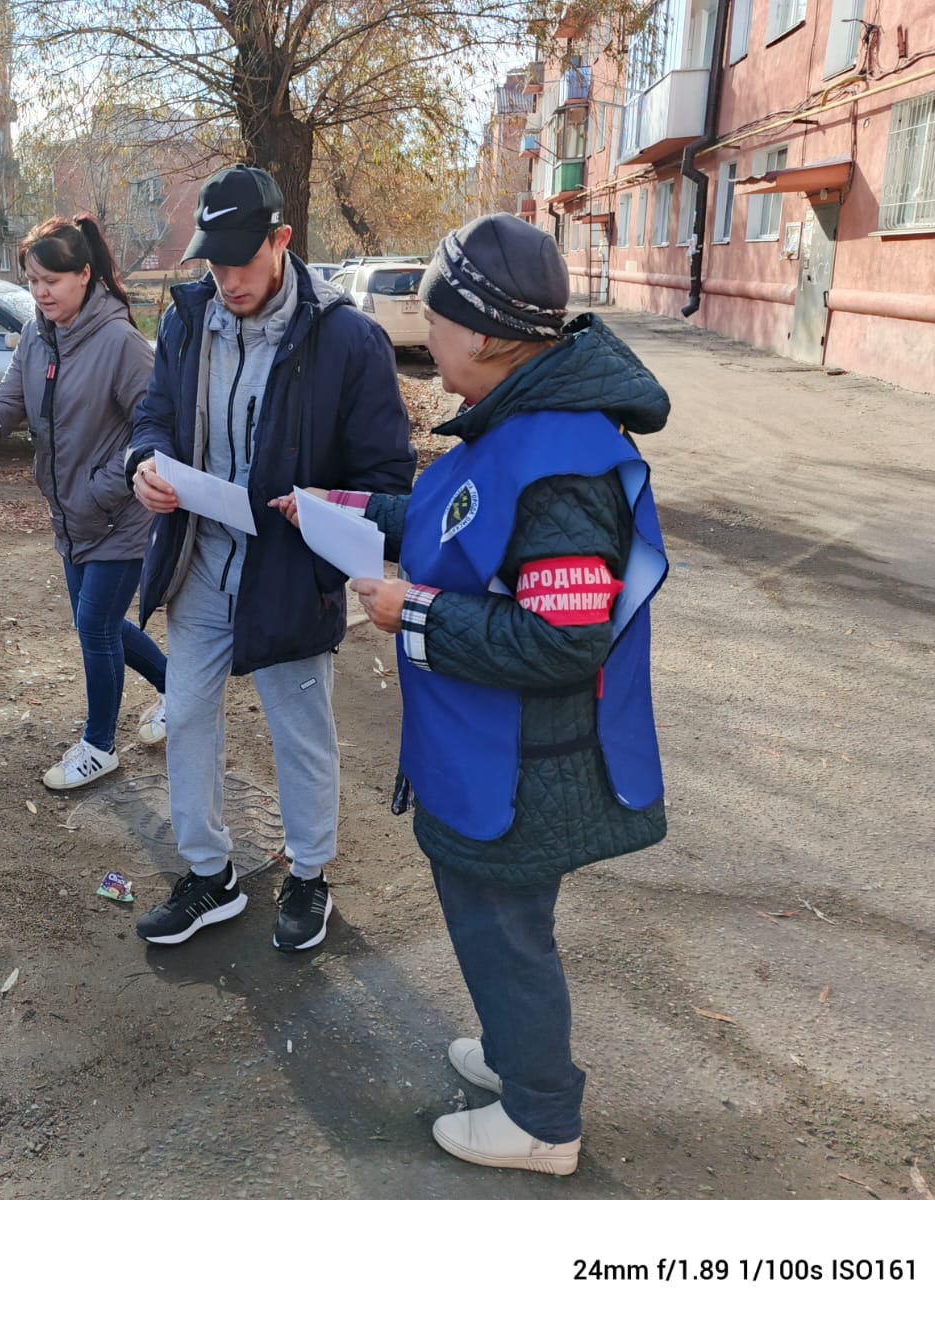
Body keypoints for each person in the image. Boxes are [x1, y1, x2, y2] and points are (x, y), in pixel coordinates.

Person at [284, 213, 670, 1173]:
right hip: (493, 756)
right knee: (495, 926)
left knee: (507, 934)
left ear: (490, 334)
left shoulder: (565, 462)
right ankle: (514, 1055)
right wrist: (349, 509)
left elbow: (564, 638)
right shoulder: (521, 423)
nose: (425, 330)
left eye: (437, 314)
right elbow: (457, 518)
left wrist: (409, 614)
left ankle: (545, 1119)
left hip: (530, 768)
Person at [128, 165, 414, 952]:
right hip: (198, 557)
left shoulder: (348, 339)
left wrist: (327, 500)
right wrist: (145, 465)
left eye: (239, 261)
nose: (225, 279)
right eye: (213, 264)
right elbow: (154, 414)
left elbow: (389, 479)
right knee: (184, 716)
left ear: (282, 241)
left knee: (300, 729)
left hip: (290, 569)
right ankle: (209, 875)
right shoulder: (188, 318)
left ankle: (310, 875)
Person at [0, 214, 166, 790]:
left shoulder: (120, 343)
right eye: (33, 281)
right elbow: (11, 396)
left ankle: (99, 745)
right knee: (98, 622)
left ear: (85, 275)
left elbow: (156, 430)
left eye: (53, 280)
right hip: (71, 512)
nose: (41, 292)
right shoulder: (38, 336)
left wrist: (106, 486)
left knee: (94, 626)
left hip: (121, 514)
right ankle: (185, 693)